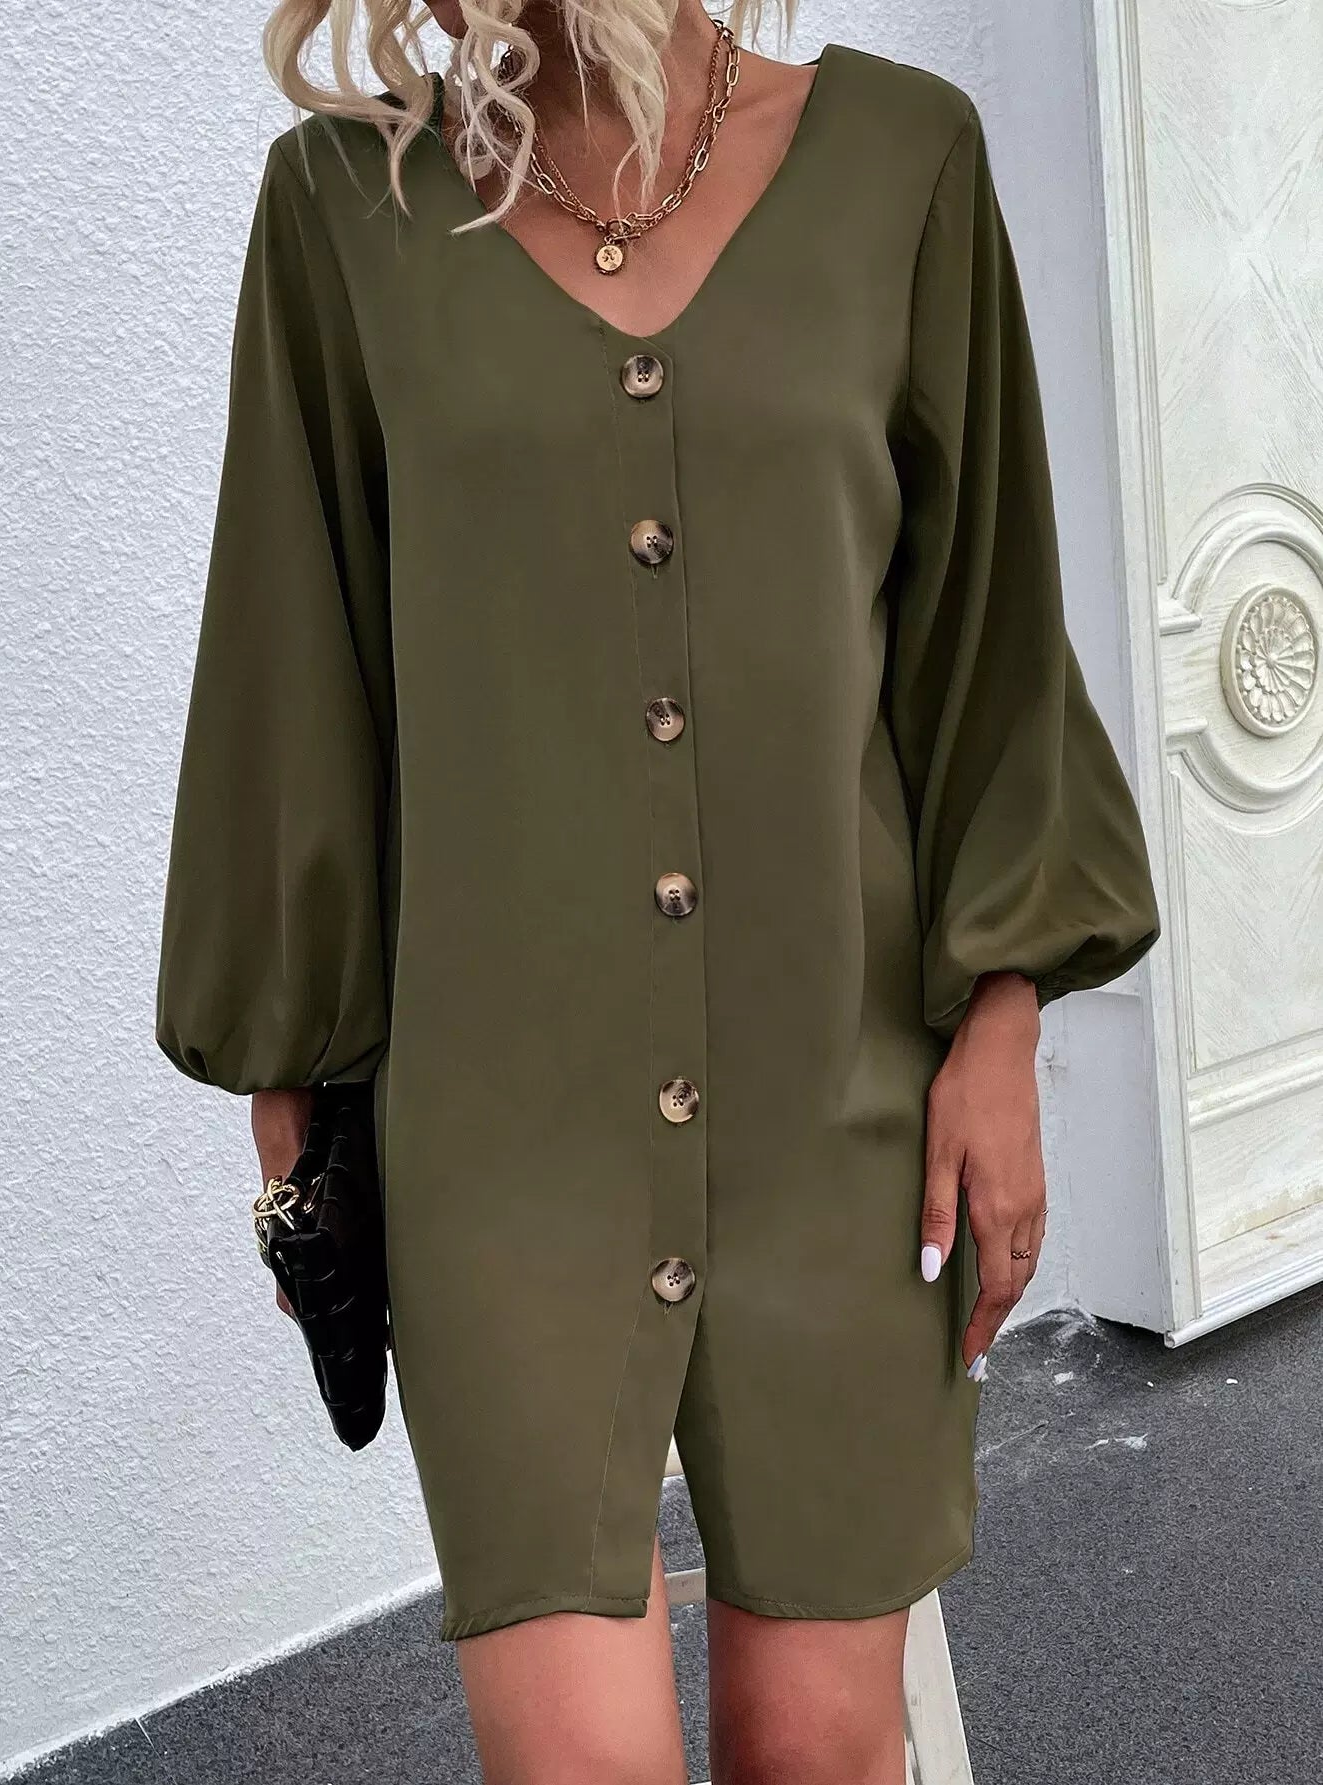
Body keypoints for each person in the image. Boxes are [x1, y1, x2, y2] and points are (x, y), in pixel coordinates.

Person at [155, 2, 1162, 1779]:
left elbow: (987, 649)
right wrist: (292, 1096)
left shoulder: (905, 165)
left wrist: (1003, 1023)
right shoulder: (341, 210)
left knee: (818, 1749)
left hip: (842, 1108)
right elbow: (291, 667)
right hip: (502, 1140)